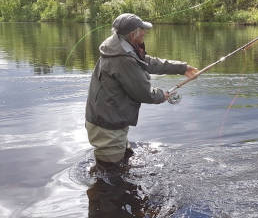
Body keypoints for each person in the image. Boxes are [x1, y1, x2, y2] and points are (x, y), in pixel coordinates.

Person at [85, 13, 198, 171]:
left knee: (120, 164)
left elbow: (148, 62)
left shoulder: (121, 47)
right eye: (142, 30)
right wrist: (162, 95)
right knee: (109, 176)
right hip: (107, 127)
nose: (145, 32)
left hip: (108, 120)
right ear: (133, 34)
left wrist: (181, 68)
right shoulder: (123, 58)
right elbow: (144, 93)